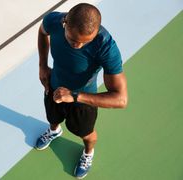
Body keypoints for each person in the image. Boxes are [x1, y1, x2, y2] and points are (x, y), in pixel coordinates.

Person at [35, 3, 128, 179]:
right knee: (52, 118)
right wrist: (42, 66)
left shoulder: (106, 47)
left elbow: (121, 99)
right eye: (73, 40)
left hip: (83, 101)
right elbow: (42, 31)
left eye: (86, 41)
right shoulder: (53, 21)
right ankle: (54, 131)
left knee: (86, 134)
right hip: (53, 86)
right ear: (65, 23)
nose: (78, 45)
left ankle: (88, 153)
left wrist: (75, 96)